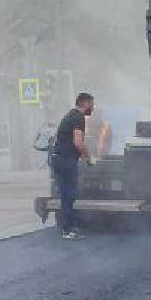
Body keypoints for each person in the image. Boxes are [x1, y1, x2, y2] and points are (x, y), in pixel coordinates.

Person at [51, 92, 95, 240]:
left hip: (60, 159)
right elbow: (78, 142)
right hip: (66, 161)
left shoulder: (70, 115)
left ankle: (68, 226)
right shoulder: (78, 117)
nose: (92, 108)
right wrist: (89, 158)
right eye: (91, 104)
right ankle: (68, 230)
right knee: (69, 195)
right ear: (85, 103)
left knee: (67, 195)